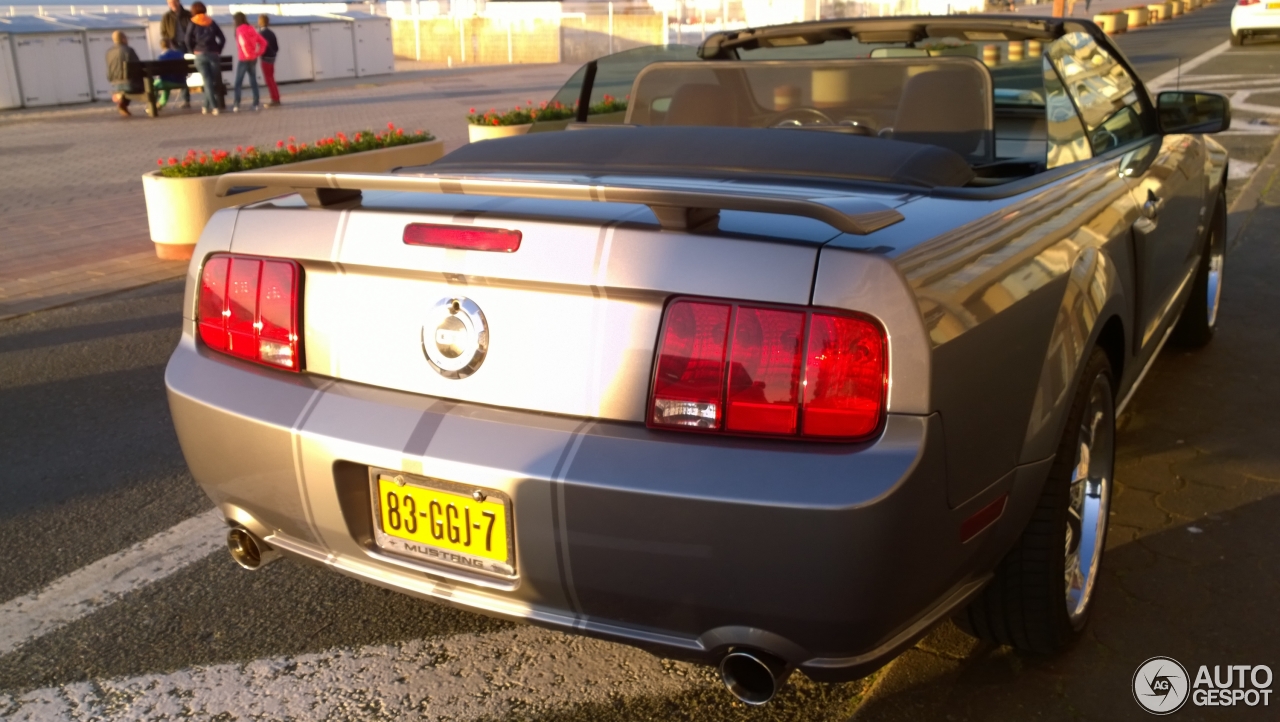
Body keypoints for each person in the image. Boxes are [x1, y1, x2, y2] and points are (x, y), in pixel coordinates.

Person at [184, 1, 225, 115]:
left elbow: (187, 39)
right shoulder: (211, 22)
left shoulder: (192, 22)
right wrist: (218, 49)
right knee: (210, 81)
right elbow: (222, 38)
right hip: (213, 54)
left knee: (207, 81)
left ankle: (214, 106)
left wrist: (192, 50)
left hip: (199, 54)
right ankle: (206, 106)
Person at [231, 12, 268, 112]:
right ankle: (255, 103)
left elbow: (242, 43)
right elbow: (263, 42)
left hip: (243, 58)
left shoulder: (239, 29)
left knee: (238, 82)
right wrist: (257, 53)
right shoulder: (252, 29)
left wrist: (246, 53)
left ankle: (236, 104)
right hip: (253, 58)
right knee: (253, 81)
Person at [159, 0, 192, 108]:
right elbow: (163, 32)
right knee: (180, 72)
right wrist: (170, 44)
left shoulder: (187, 14)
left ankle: (186, 99)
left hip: (188, 45)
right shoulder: (166, 17)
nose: (172, 5)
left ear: (178, 2)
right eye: (170, 3)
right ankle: (185, 99)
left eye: (174, 2)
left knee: (185, 71)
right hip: (175, 46)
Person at [105, 30, 141, 118]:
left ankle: (121, 102)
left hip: (114, 83)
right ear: (123, 39)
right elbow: (137, 66)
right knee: (146, 85)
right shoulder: (129, 50)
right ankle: (152, 107)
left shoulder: (108, 52)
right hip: (129, 83)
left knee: (126, 86)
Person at [154, 39, 188, 111]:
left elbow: (159, 73)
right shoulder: (179, 54)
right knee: (165, 83)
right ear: (171, 45)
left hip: (167, 82)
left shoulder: (161, 57)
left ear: (161, 47)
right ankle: (160, 103)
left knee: (154, 84)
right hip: (181, 81)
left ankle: (153, 104)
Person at [257, 14, 281, 107]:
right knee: (272, 79)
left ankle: (274, 99)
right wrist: (273, 53)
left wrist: (260, 54)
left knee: (268, 79)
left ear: (261, 22)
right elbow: (276, 47)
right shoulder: (271, 33)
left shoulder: (261, 33)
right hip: (272, 58)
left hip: (265, 58)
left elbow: (262, 46)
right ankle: (276, 97)